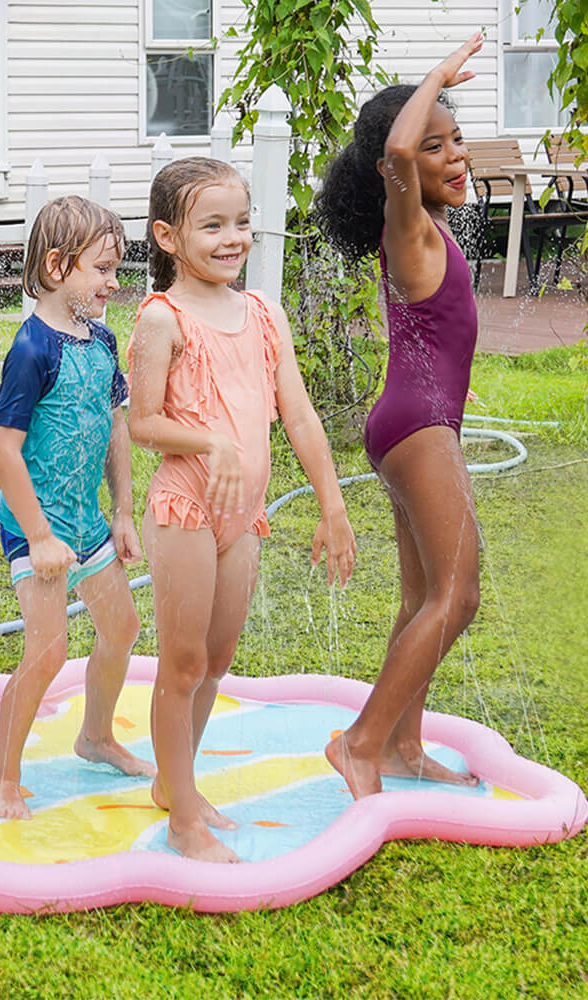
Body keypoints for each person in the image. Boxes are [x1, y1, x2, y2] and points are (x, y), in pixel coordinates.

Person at [127, 157, 356, 862]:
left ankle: (177, 782)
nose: (233, 238)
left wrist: (332, 503)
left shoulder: (263, 313)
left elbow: (299, 413)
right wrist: (211, 443)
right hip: (188, 507)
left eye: (242, 222)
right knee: (183, 663)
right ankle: (183, 823)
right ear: (168, 236)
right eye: (213, 225)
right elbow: (142, 424)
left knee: (218, 658)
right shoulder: (161, 320)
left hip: (243, 514)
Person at [314, 34, 485, 799]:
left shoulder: (428, 233)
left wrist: (456, 386)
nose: (455, 156)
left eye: (458, 142)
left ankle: (403, 747)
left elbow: (434, 330)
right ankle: (360, 743)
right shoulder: (407, 220)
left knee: (422, 600)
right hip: (417, 426)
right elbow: (395, 142)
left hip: (413, 415)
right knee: (460, 596)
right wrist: (438, 76)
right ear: (401, 169)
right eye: (437, 145)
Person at [0, 195, 154, 820]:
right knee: (49, 650)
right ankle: (1, 775)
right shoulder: (33, 350)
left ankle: (96, 735)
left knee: (122, 627)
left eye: (116, 269)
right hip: (38, 527)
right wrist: (40, 536)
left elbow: (116, 428)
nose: (114, 282)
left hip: (87, 523)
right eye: (102, 269)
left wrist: (125, 513)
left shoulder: (103, 342)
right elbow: (4, 452)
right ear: (56, 266)